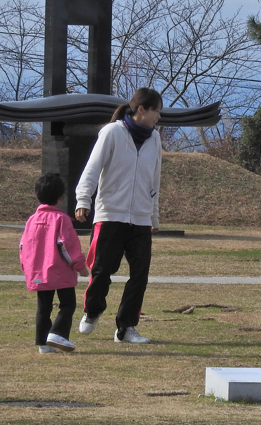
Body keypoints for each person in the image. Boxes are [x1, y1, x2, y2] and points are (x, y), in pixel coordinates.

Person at [74, 87, 163, 345]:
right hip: (110, 214)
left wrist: (153, 216)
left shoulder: (155, 139)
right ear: (142, 109)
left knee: (140, 275)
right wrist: (83, 200)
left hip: (141, 218)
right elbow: (92, 168)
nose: (159, 116)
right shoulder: (112, 132)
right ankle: (93, 311)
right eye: (156, 110)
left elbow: (154, 179)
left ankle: (126, 328)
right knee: (102, 270)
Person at [20, 173, 89, 353]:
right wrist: (80, 266)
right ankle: (58, 333)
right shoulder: (61, 219)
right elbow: (67, 245)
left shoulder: (31, 220)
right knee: (68, 304)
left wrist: (26, 268)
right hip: (59, 271)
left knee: (43, 308)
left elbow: (23, 246)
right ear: (61, 197)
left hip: (38, 273)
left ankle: (42, 343)